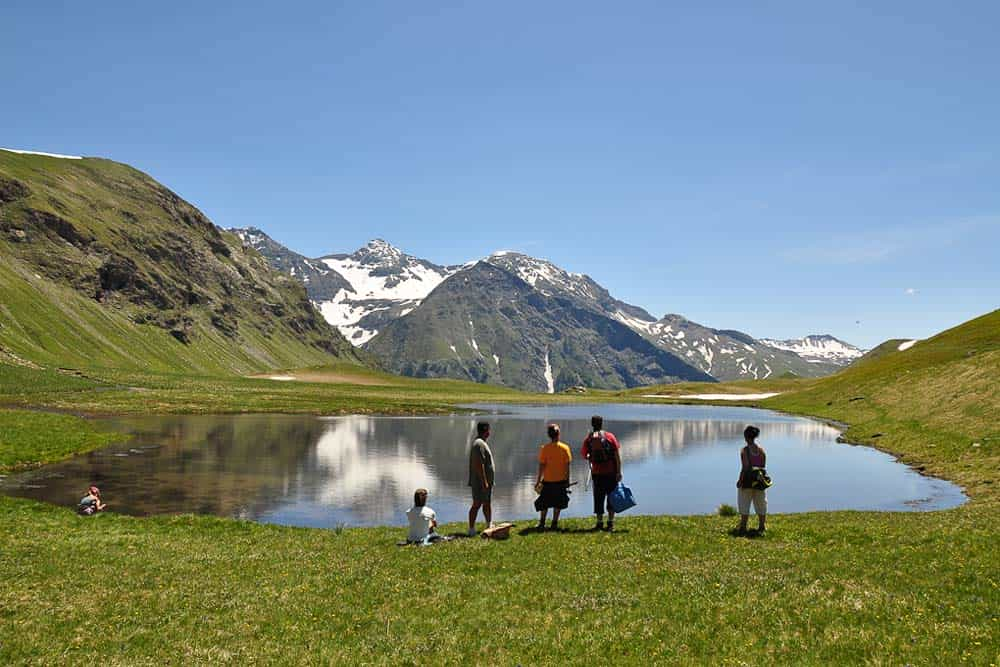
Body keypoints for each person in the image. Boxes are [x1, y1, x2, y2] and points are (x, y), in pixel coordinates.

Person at [581, 415, 622, 531]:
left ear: (592, 424)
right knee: (611, 497)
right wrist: (618, 472)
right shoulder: (610, 437)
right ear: (602, 423)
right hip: (611, 472)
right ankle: (610, 523)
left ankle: (599, 523)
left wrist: (590, 456)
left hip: (597, 473)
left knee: (598, 498)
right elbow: (617, 456)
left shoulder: (589, 438)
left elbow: (584, 454)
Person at [534, 423, 572, 531]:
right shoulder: (565, 448)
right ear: (558, 434)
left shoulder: (545, 449)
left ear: (549, 435)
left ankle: (542, 523)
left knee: (544, 503)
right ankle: (554, 523)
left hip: (548, 480)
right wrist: (567, 480)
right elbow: (567, 466)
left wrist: (538, 481)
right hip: (560, 480)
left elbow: (541, 466)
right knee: (558, 503)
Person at [736, 425, 767, 534]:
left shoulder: (744, 450)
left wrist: (740, 481)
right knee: (760, 503)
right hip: (759, 481)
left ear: (746, 437)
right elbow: (763, 466)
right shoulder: (761, 450)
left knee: (744, 502)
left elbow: (745, 467)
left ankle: (743, 526)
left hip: (748, 481)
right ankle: (762, 526)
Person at [467, 421, 495, 536]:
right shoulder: (479, 444)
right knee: (477, 504)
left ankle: (489, 525)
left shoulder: (480, 443)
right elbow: (478, 464)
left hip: (483, 482)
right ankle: (471, 529)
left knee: (486, 503)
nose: (490, 432)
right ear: (486, 431)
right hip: (480, 482)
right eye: (489, 429)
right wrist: (484, 481)